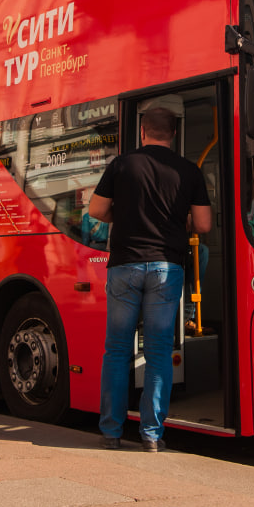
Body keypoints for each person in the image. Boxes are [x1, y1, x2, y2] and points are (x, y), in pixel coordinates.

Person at [88, 105, 212, 452]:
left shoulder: (122, 164)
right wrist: (178, 223)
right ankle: (152, 435)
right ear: (172, 134)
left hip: (125, 266)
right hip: (166, 269)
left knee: (116, 351)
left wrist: (125, 216)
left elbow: (96, 210)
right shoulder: (189, 171)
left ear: (143, 131)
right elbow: (203, 225)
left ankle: (111, 432)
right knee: (158, 352)